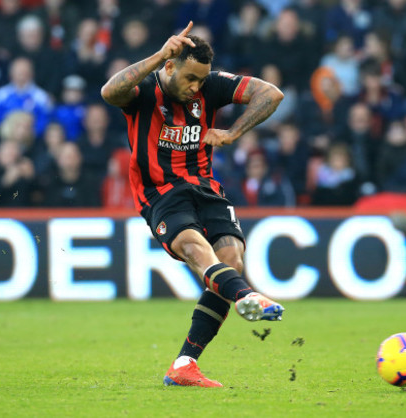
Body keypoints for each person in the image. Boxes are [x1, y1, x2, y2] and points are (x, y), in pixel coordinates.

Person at [101, 21, 285, 388]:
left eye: (201, 80)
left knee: (231, 260)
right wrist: (157, 56)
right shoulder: (143, 93)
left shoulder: (211, 86)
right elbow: (110, 91)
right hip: (160, 193)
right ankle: (247, 295)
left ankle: (184, 365)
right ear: (169, 66)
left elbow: (272, 94)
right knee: (196, 251)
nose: (196, 87)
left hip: (205, 187)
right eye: (189, 78)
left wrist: (234, 132)